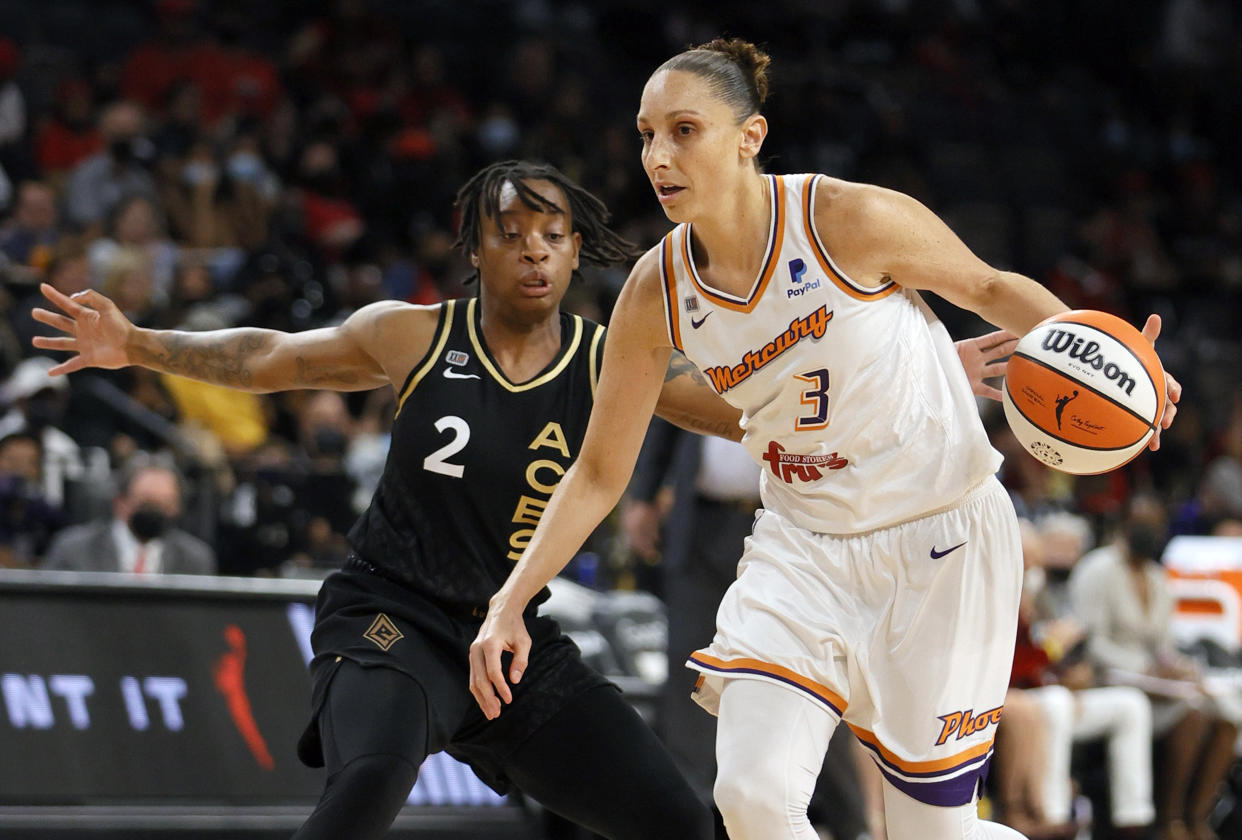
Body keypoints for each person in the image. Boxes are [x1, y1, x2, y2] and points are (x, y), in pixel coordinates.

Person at [469, 39, 1181, 840]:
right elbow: (599, 472)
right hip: (804, 544)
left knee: (930, 835)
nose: (657, 156)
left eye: (683, 130)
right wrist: (510, 599)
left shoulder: (845, 218)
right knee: (751, 796)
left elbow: (986, 286)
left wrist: (1119, 368)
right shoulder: (655, 292)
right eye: (645, 135)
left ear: (750, 137)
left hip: (939, 537)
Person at [31, 159, 737, 840]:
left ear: (576, 250)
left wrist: (834, 400)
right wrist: (137, 343)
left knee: (680, 821)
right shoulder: (415, 336)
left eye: (552, 236)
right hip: (391, 618)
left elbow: (742, 410)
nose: (534, 253)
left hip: (510, 637)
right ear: (475, 249)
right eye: (511, 234)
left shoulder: (609, 360)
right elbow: (273, 355)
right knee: (369, 783)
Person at [1070, 495, 1238, 840]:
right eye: (1141, 524)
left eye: (1155, 525)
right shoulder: (1097, 569)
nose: (1149, 532)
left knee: (1227, 716)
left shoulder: (1158, 577)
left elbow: (1166, 645)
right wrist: (1146, 669)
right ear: (1124, 526)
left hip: (1157, 685)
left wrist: (1179, 668)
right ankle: (1169, 820)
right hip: (1112, 680)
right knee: (1191, 715)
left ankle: (1197, 817)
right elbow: (1091, 642)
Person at [41, 455, 215, 575]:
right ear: (120, 502)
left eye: (165, 504)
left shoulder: (194, 559)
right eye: (147, 502)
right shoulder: (74, 550)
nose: (155, 512)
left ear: (177, 507)